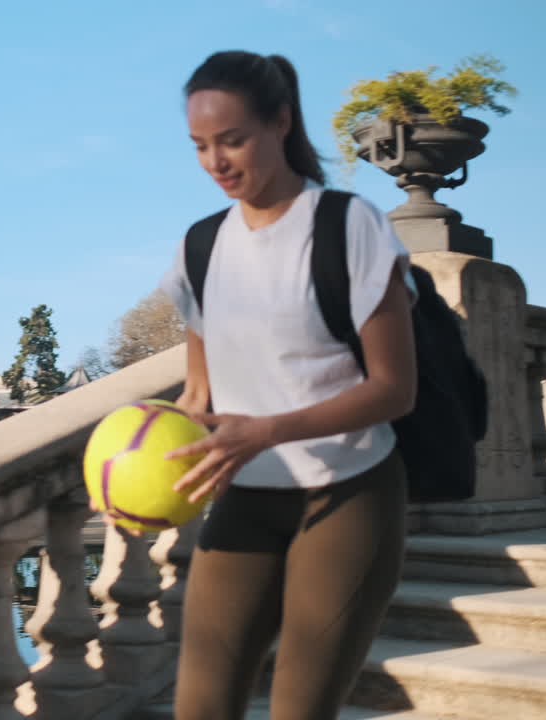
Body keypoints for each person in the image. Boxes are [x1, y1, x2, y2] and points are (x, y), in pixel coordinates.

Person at [157, 51, 418, 719]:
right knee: (200, 708)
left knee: (300, 710)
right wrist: (144, 461)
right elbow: (198, 396)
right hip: (245, 497)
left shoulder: (349, 224)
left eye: (232, 140)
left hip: (348, 490)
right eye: (200, 146)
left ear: (280, 122)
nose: (215, 162)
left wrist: (268, 430)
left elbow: (394, 389)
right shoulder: (201, 247)